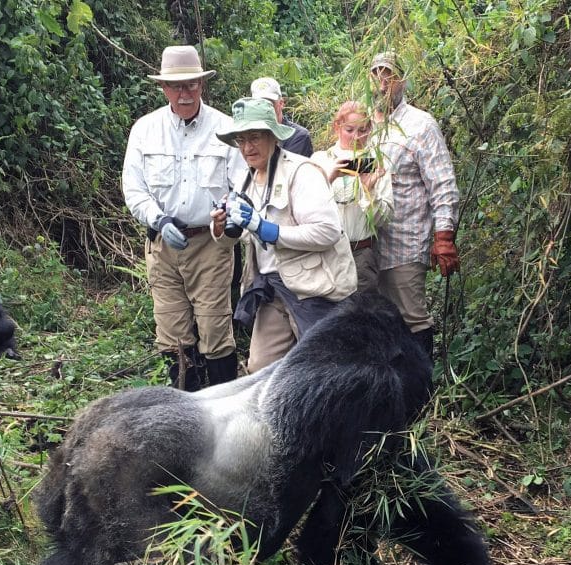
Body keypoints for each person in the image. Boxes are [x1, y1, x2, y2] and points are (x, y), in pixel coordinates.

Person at [122, 45, 245, 390]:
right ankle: (183, 409)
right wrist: (158, 220)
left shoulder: (226, 128)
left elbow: (241, 187)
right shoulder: (145, 130)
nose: (184, 92)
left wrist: (231, 219)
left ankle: (223, 407)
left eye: (191, 84)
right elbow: (134, 189)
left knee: (214, 330)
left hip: (211, 243)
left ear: (201, 85)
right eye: (176, 86)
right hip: (162, 247)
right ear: (163, 88)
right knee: (172, 330)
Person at [209, 97, 356, 373]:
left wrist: (268, 230)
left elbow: (327, 232)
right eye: (241, 140)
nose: (247, 147)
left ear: (273, 137)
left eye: (254, 137)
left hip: (313, 287)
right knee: (261, 367)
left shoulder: (302, 172)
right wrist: (221, 227)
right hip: (270, 286)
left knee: (326, 368)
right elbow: (239, 236)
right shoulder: (246, 179)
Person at [369, 51, 461, 358]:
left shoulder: (420, 125)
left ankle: (423, 394)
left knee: (411, 319)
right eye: (376, 75)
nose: (382, 84)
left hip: (405, 244)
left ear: (403, 81)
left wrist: (444, 237)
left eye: (389, 76)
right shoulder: (364, 125)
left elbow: (442, 184)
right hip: (367, 247)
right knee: (377, 323)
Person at [311, 101, 394, 292]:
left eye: (363, 130)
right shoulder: (320, 160)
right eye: (349, 130)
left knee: (362, 314)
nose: (356, 137)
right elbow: (307, 210)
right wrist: (329, 178)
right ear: (337, 127)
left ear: (370, 129)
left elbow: (384, 219)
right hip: (326, 253)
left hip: (362, 253)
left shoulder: (378, 163)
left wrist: (368, 190)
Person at [250, 77, 314, 157]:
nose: (265, 108)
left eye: (269, 103)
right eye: (259, 104)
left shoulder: (298, 136)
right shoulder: (247, 137)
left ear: (281, 103)